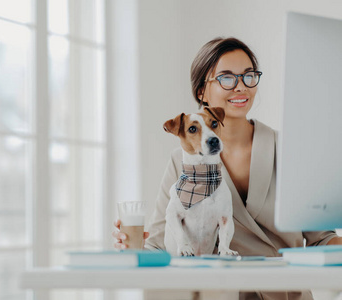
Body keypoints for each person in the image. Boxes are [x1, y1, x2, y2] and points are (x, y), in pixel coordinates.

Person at [112, 37, 342, 300]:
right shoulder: (181, 162)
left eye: (248, 76)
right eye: (227, 78)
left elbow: (322, 241)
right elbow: (159, 246)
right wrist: (131, 246)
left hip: (286, 295)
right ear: (202, 91)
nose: (241, 87)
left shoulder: (289, 149)